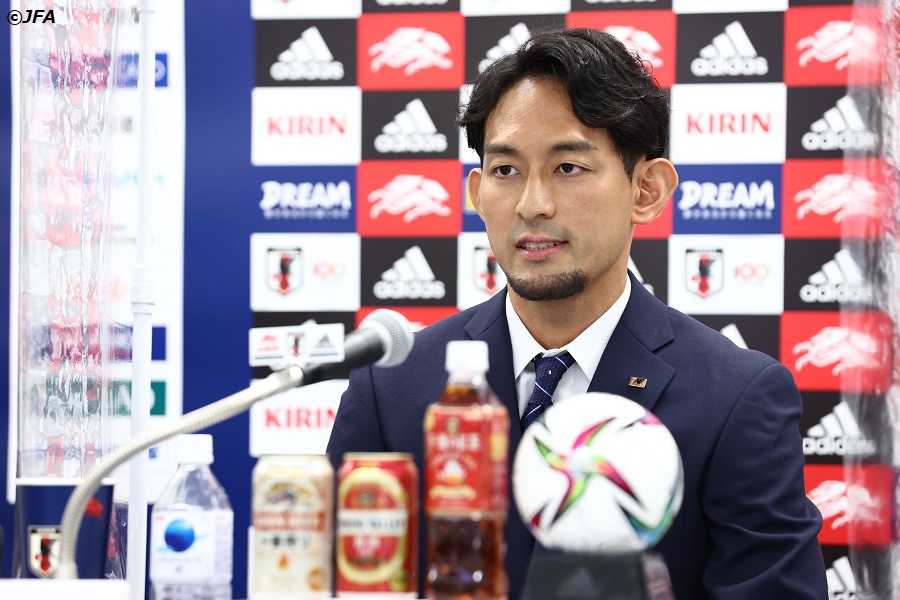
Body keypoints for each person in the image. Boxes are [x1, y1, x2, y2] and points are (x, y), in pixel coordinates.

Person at [327, 27, 827, 599]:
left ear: (646, 190)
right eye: (506, 170)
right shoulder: (392, 385)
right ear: (476, 192)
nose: (532, 204)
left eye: (568, 167)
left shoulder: (736, 397)